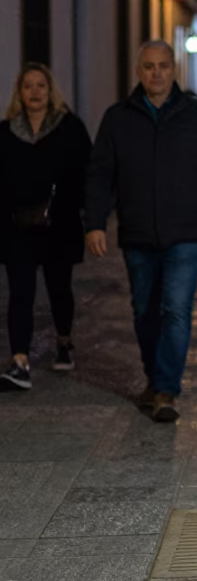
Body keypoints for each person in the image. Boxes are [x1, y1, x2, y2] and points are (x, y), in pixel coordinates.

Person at [85, 41, 197, 421]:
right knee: (144, 311)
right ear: (139, 71)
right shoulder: (118, 117)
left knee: (176, 310)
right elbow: (100, 174)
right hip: (137, 232)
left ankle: (166, 389)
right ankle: (154, 377)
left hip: (186, 232)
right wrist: (95, 223)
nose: (156, 73)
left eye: (163, 66)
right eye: (149, 66)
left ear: (174, 70)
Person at [0, 64, 92, 389]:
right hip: (18, 227)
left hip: (59, 226)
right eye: (28, 86)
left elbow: (86, 173)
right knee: (21, 293)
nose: (35, 92)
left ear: (50, 90)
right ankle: (20, 361)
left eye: (41, 86)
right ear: (19, 92)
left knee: (59, 288)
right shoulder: (6, 131)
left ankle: (64, 341)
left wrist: (85, 214)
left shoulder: (69, 128)